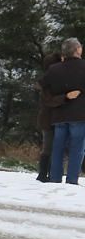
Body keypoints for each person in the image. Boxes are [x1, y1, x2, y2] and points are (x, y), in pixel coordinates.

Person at [42, 38, 85, 184]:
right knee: (77, 148)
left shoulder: (54, 69)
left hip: (59, 114)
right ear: (77, 50)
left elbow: (43, 87)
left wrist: (63, 97)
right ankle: (72, 180)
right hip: (80, 114)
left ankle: (55, 178)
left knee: (57, 147)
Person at [36, 52, 67, 182]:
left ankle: (47, 173)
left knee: (52, 148)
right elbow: (50, 101)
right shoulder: (46, 83)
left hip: (51, 118)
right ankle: (43, 174)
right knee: (48, 148)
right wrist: (65, 97)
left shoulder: (48, 81)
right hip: (48, 119)